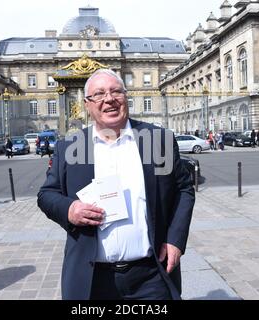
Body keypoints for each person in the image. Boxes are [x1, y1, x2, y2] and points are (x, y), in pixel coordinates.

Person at [37, 69, 195, 300]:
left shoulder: (157, 140)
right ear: (87, 104)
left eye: (115, 91)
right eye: (99, 94)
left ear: (126, 96)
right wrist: (69, 210)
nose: (109, 99)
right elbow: (47, 194)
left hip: (151, 276)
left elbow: (183, 190)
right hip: (92, 281)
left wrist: (175, 240)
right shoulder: (70, 146)